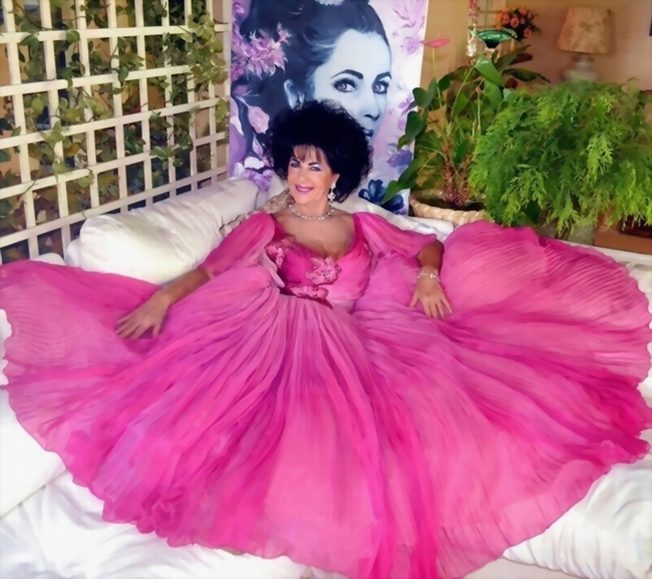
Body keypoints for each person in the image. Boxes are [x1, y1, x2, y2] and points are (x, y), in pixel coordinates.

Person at [1, 100, 651, 579]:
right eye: (295, 162)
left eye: (315, 164)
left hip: (351, 338)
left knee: (435, 418)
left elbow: (423, 245)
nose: (302, 174)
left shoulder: (362, 227)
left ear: (337, 172)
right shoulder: (268, 223)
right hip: (274, 331)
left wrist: (429, 278)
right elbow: (212, 269)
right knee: (257, 432)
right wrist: (163, 299)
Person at [232, 0, 391, 187]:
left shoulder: (364, 200)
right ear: (297, 95)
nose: (373, 109)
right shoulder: (282, 184)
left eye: (380, 87)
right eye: (346, 85)